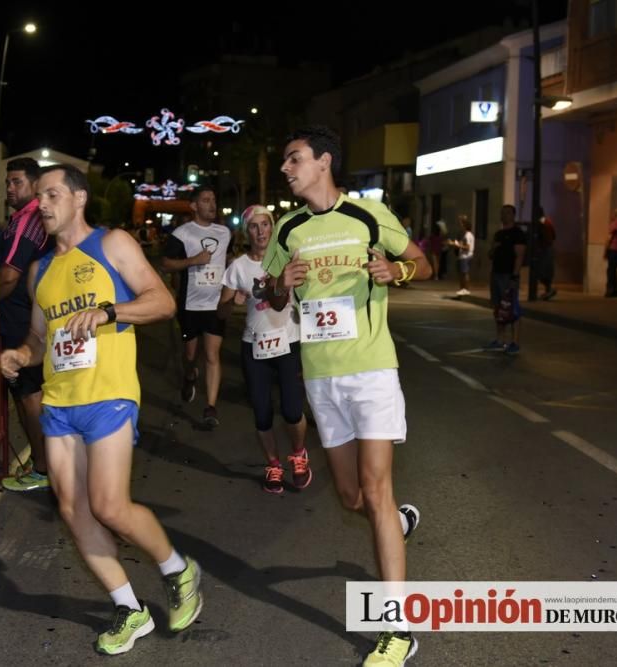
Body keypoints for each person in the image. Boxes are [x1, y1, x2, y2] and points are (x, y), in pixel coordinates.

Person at [0, 165, 202, 655]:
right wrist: (22, 355)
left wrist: (110, 312)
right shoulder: (39, 271)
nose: (42, 205)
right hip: (60, 402)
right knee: (73, 509)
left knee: (110, 506)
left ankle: (179, 570)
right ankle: (129, 609)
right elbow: (39, 336)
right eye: (39, 197)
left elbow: (162, 303)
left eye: (52, 194)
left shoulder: (114, 244)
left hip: (108, 394)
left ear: (79, 198)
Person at [264, 126, 427, 666]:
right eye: (285, 161)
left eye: (294, 158)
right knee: (351, 498)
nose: (285, 168)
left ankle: (398, 630)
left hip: (372, 370)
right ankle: (397, 524)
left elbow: (423, 262)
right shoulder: (286, 228)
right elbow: (270, 293)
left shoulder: (367, 215)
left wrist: (396, 270)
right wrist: (282, 282)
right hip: (320, 375)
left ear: (323, 161)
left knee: (377, 490)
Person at [217, 204, 310, 494]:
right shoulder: (238, 267)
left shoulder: (289, 259)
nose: (260, 231)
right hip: (254, 346)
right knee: (261, 412)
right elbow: (219, 313)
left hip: (288, 341)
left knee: (293, 410)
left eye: (265, 225)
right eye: (254, 227)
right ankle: (272, 463)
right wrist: (230, 303)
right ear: (246, 232)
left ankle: (298, 453)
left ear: (273, 227)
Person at [0, 157, 53, 492]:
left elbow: (9, 275)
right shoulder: (21, 218)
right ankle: (42, 461)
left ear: (34, 183)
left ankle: (44, 468)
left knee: (30, 394)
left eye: (16, 182)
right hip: (23, 315)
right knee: (25, 392)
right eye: (8, 182)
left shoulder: (28, 219)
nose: (9, 188)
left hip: (21, 318)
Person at [161, 186, 232, 427]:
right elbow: (166, 264)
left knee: (212, 355)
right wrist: (194, 261)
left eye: (213, 199)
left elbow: (229, 259)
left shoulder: (224, 232)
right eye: (205, 200)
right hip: (190, 304)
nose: (212, 204)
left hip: (215, 304)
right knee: (191, 355)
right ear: (194, 206)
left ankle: (211, 407)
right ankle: (190, 374)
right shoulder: (182, 234)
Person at [483, 204, 526, 355]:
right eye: (502, 213)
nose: (504, 216)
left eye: (507, 213)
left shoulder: (517, 234)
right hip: (496, 273)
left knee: (511, 307)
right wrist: (494, 248)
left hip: (509, 275)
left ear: (513, 215)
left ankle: (515, 342)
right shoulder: (498, 234)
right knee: (498, 308)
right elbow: (490, 255)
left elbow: (519, 255)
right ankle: (500, 339)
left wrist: (515, 275)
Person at [449, 215, 474, 296]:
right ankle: (462, 289)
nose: (461, 226)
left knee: (464, 273)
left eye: (462, 225)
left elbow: (467, 247)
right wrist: (455, 243)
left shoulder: (467, 235)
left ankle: (465, 289)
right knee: (462, 273)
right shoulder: (467, 235)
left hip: (465, 256)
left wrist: (457, 245)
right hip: (463, 256)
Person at [536, 207, 557, 300]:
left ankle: (548, 289)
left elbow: (541, 236)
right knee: (546, 271)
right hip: (548, 248)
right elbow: (554, 235)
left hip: (544, 249)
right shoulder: (548, 221)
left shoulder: (541, 223)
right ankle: (548, 289)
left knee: (542, 271)